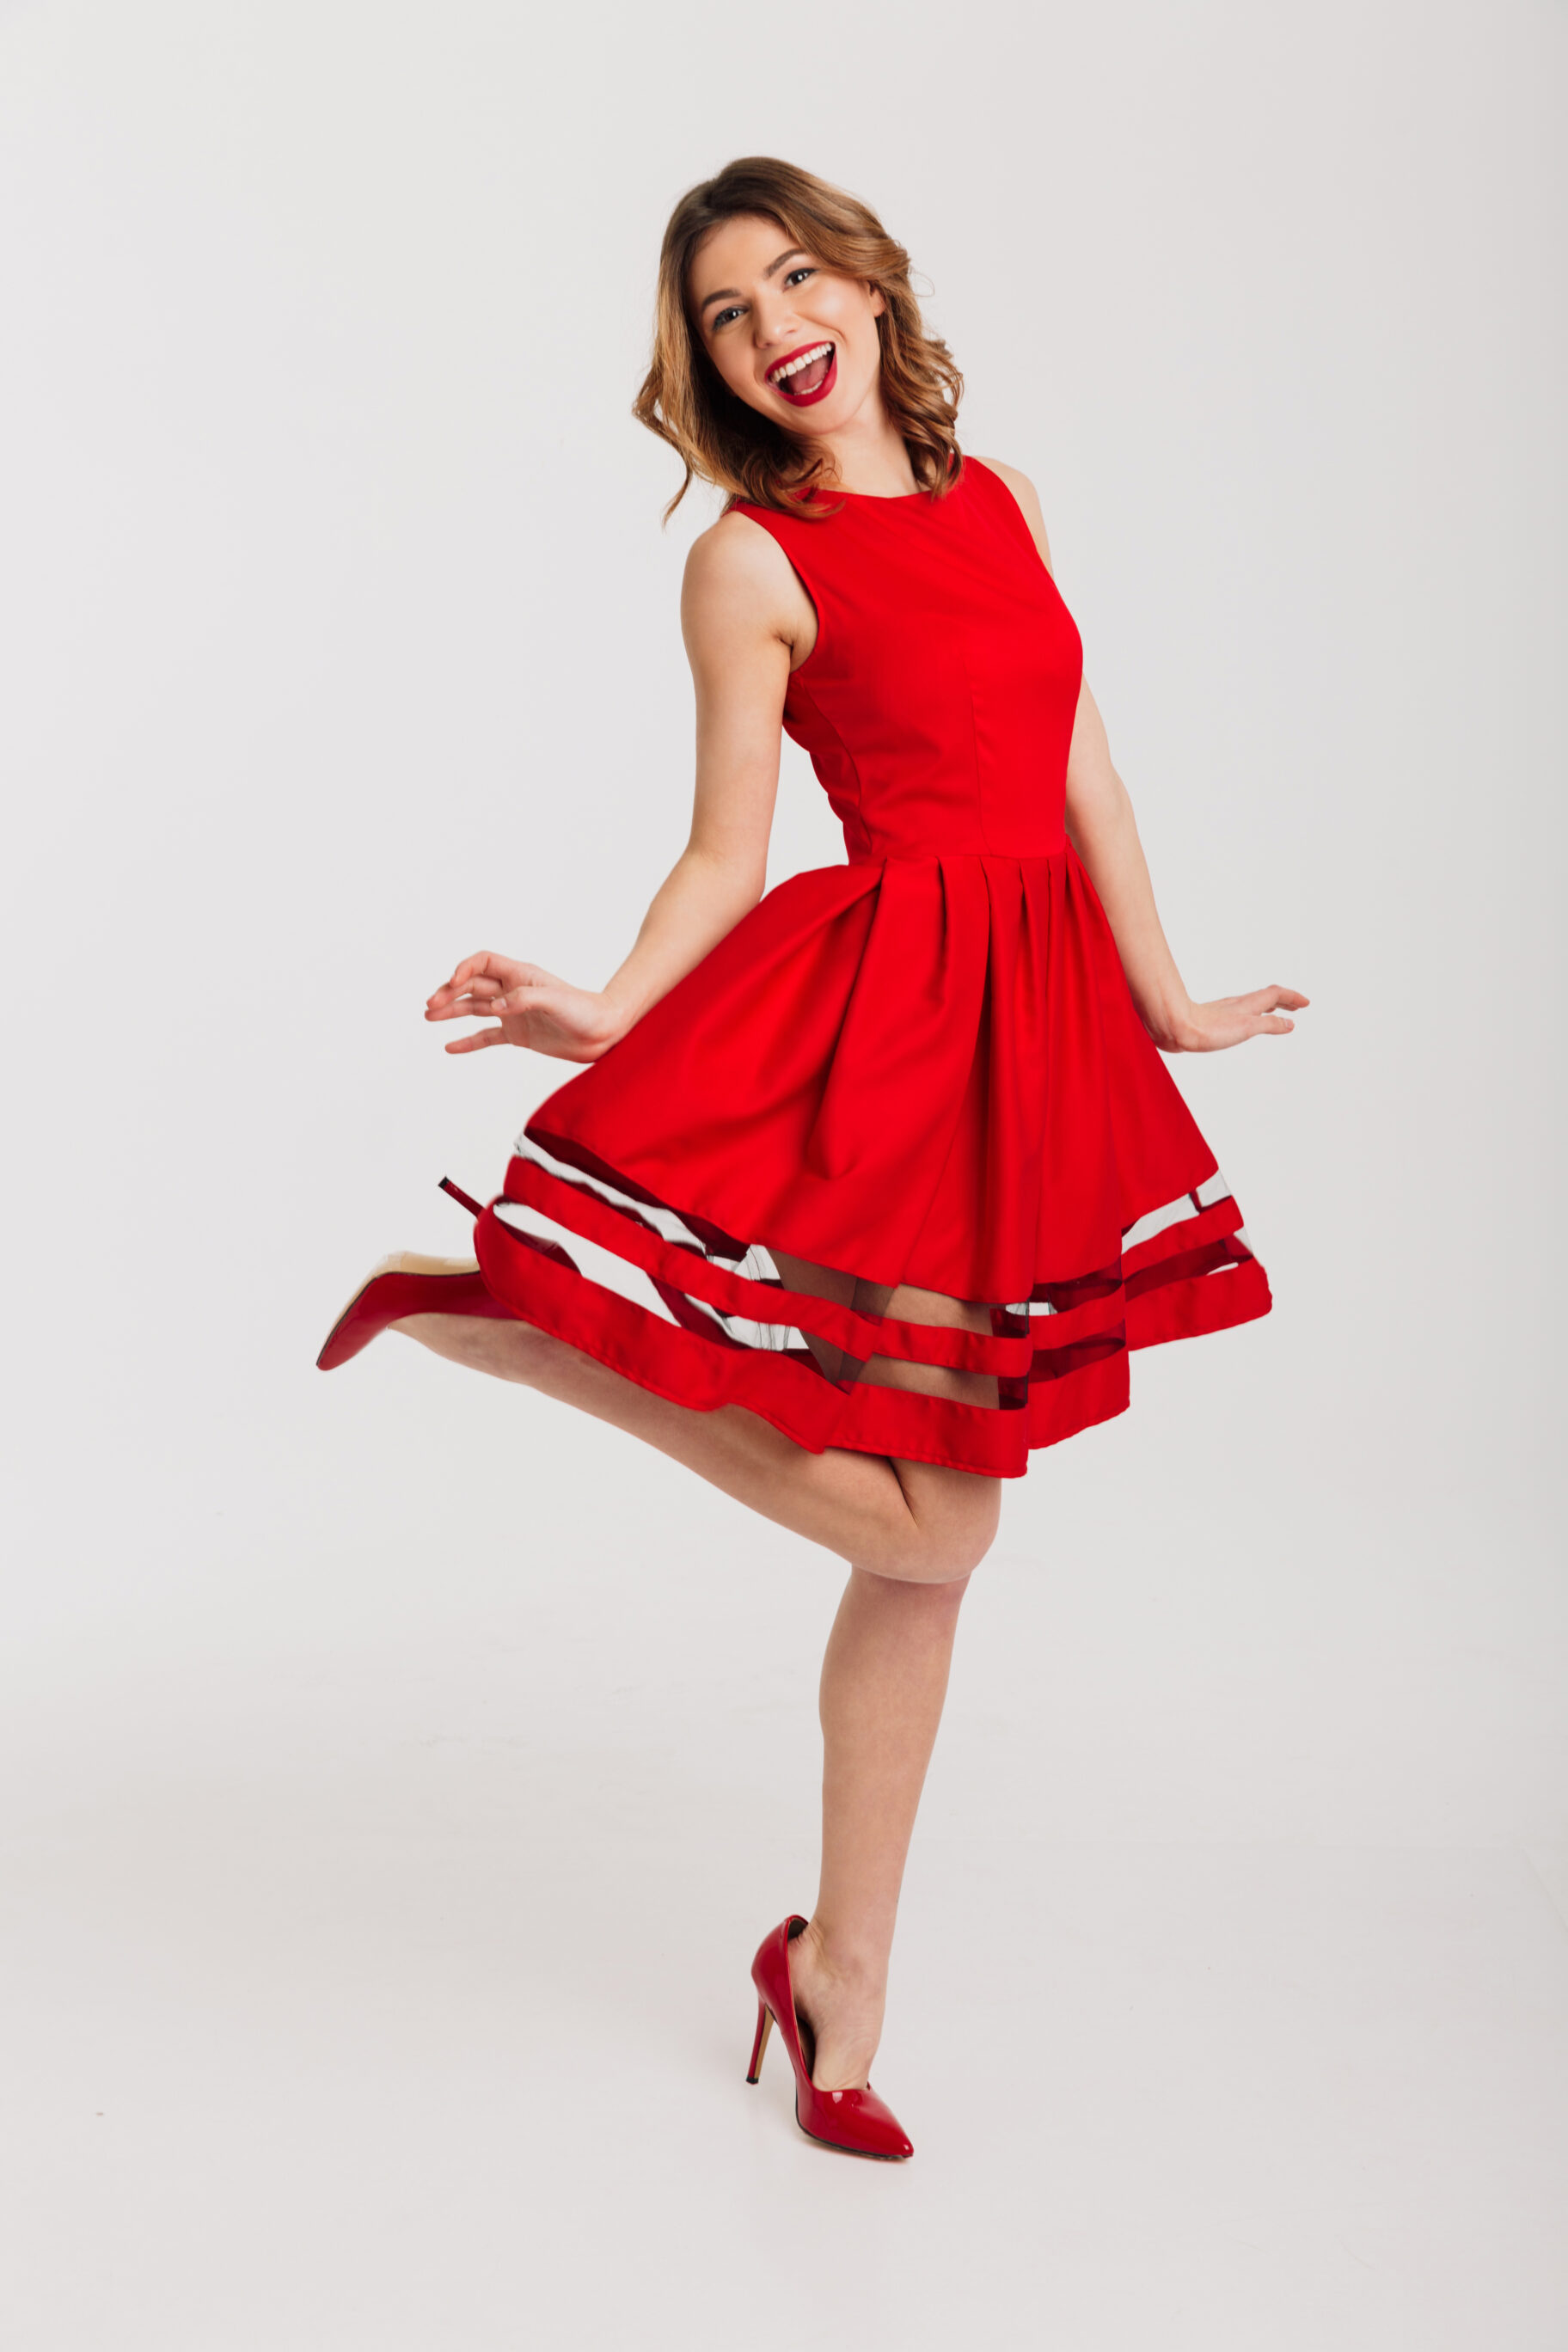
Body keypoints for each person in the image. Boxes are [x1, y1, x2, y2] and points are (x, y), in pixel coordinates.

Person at [317, 156, 1307, 2161]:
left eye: (792, 274)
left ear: (862, 275)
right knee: (943, 1530)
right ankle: (533, 1333)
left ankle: (838, 1992)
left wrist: (1169, 999)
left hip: (1028, 1031)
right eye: (727, 314)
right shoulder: (753, 563)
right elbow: (725, 847)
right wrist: (602, 1005)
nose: (776, 323)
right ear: (713, 370)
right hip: (897, 1021)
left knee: (927, 1557)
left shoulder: (1003, 497)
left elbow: (1082, 761)